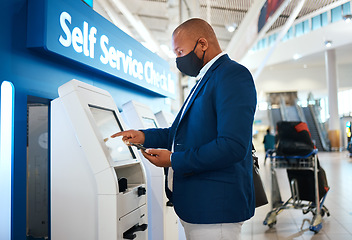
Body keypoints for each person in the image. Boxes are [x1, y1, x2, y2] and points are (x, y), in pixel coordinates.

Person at [111, 18, 257, 240]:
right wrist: (143, 136)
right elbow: (179, 133)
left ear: (203, 44)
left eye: (180, 52)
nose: (178, 60)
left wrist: (174, 160)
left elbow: (232, 146)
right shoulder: (204, 79)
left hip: (216, 210)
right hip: (197, 206)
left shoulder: (232, 75)